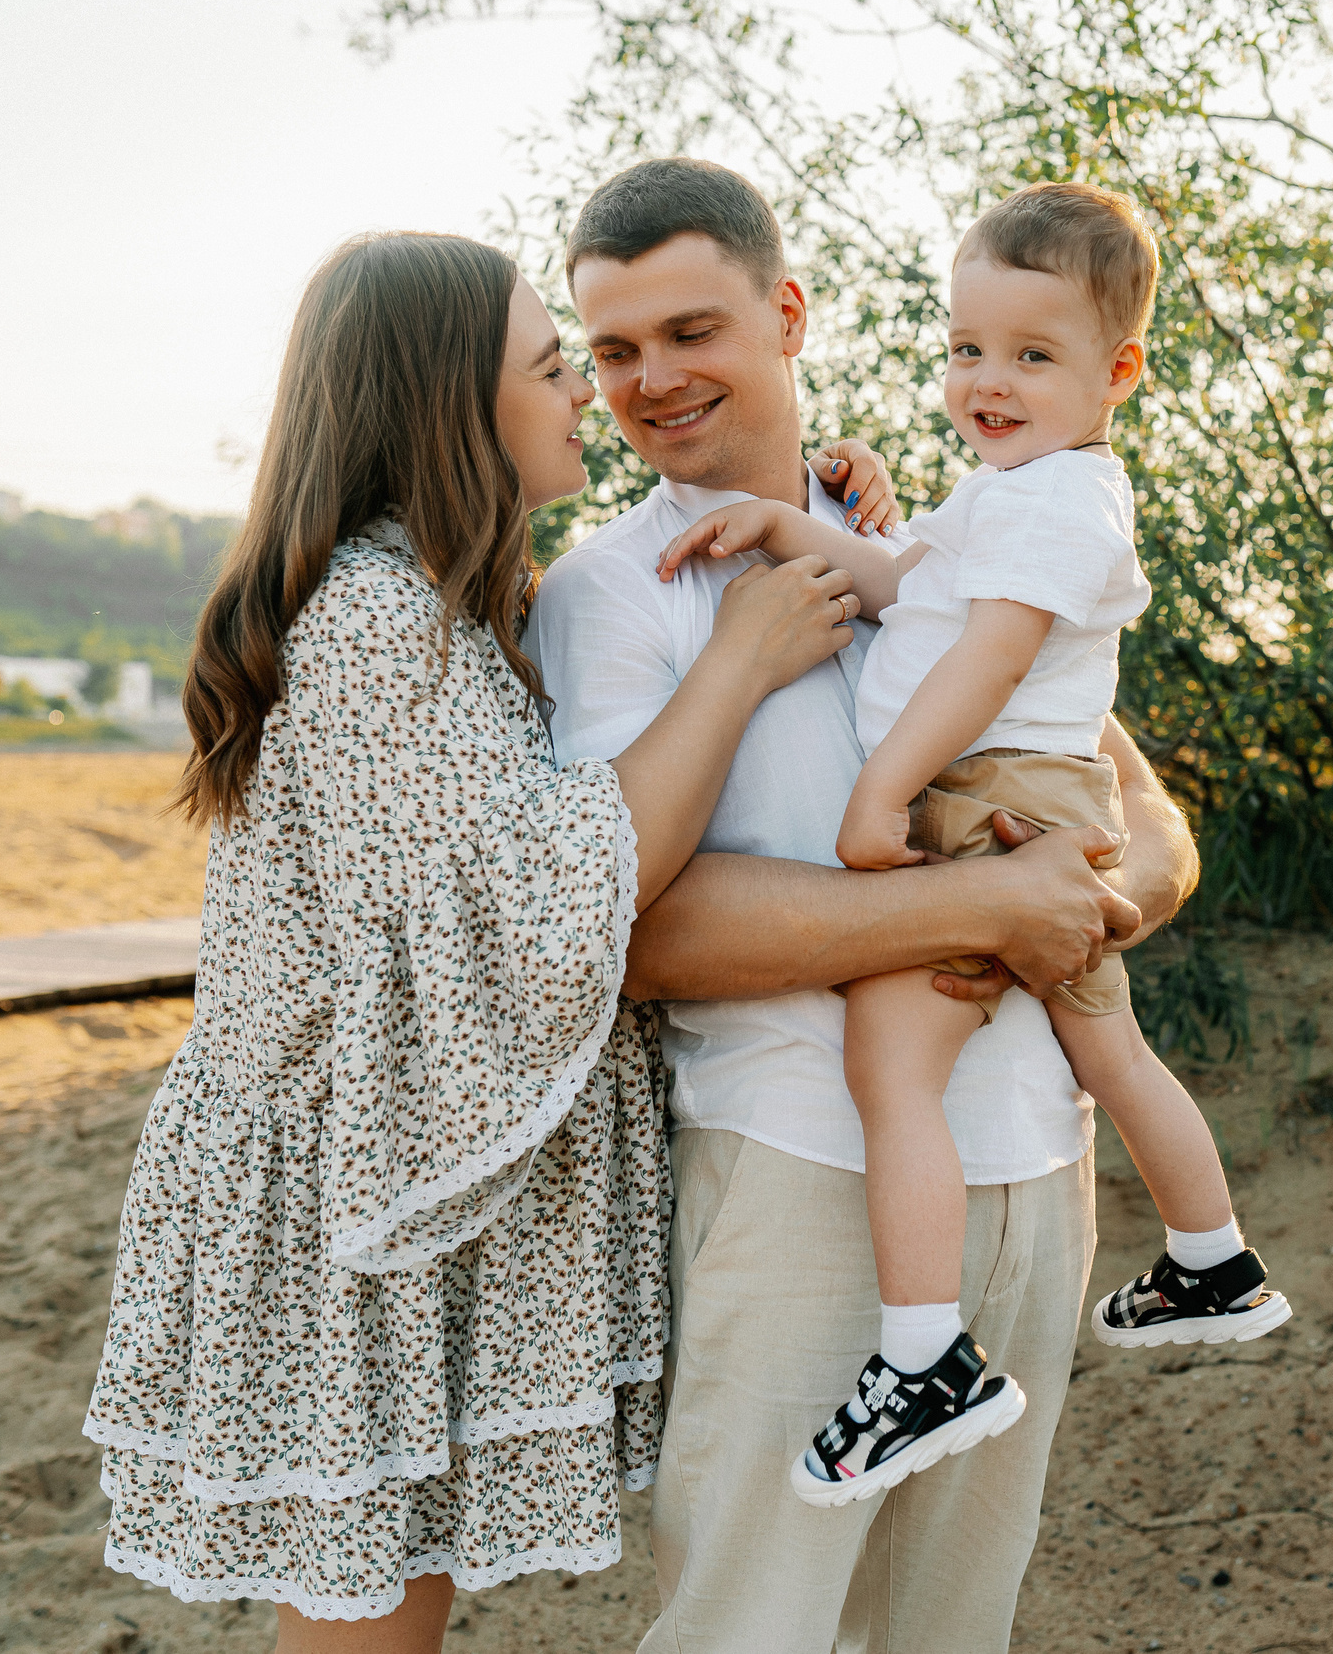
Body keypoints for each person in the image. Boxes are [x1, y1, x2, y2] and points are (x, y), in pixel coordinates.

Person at [81, 230, 865, 1651]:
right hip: (357, 1204)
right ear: (453, 402)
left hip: (397, 1173)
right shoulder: (374, 624)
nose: (585, 396)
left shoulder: (431, 594)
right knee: (370, 1618)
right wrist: (744, 660)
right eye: (556, 365)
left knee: (391, 1601)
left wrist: (835, 512)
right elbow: (557, 893)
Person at [531, 159, 1200, 1651]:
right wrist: (993, 906)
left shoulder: (972, 521)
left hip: (1041, 1171)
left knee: (950, 1639)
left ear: (787, 314)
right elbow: (641, 934)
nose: (652, 382)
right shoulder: (612, 595)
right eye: (615, 350)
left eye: (691, 331)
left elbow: (1137, 808)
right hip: (802, 1179)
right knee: (749, 1634)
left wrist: (1091, 909)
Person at [654, 181, 1289, 1508]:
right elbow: (913, 591)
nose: (986, 382)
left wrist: (880, 794)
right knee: (1107, 1046)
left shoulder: (1061, 504)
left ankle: (926, 1355)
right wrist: (791, 529)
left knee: (892, 1066)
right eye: (967, 348)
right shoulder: (1013, 487)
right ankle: (1211, 1257)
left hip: (991, 794)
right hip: (1022, 797)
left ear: (1118, 371)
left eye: (1032, 356)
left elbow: (986, 659)